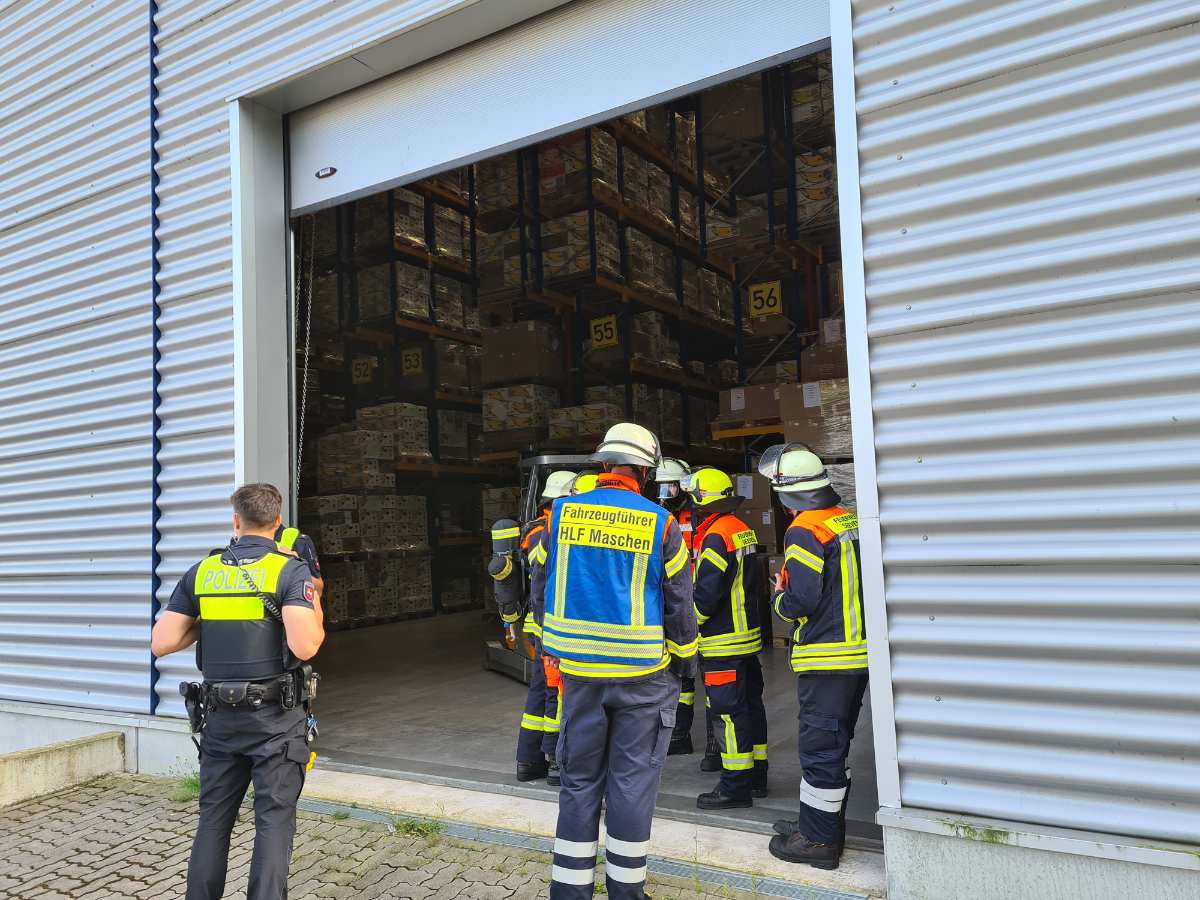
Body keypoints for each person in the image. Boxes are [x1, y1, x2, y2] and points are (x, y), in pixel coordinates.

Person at [532, 423, 697, 899]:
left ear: (603, 464)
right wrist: (685, 663)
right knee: (630, 785)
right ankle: (626, 892)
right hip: (643, 678)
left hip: (580, 676)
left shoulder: (559, 517)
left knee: (579, 783)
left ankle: (569, 892)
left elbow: (540, 584)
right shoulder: (661, 523)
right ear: (644, 470)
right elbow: (678, 605)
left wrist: (553, 646)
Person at [151, 483, 324, 900]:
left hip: (219, 720)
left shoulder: (204, 571)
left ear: (236, 521)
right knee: (273, 821)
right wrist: (313, 603)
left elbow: (162, 641)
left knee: (213, 821)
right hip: (275, 723)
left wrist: (205, 623)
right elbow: (306, 645)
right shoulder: (289, 569)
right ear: (278, 523)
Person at [759, 445, 866, 871]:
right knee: (834, 746)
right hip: (856, 654)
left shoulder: (805, 530)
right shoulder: (847, 520)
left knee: (821, 748)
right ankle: (817, 825)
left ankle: (819, 844)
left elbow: (801, 599)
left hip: (827, 657)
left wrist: (779, 598)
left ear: (787, 494)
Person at [686, 467, 768, 810]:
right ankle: (757, 776)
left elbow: (706, 595)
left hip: (722, 642)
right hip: (746, 639)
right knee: (751, 707)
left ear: (701, 499)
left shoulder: (716, 536)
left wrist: (686, 626)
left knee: (727, 715)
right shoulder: (741, 530)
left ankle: (735, 786)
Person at [513, 469, 577, 784]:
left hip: (538, 624)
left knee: (539, 694)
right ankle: (553, 761)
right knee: (555, 694)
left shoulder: (536, 528)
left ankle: (528, 762)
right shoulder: (551, 530)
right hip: (549, 627)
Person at [274, 524, 324, 598]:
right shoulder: (251, 542)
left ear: (279, 518)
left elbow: (317, 590)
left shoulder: (298, 541)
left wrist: (294, 564)